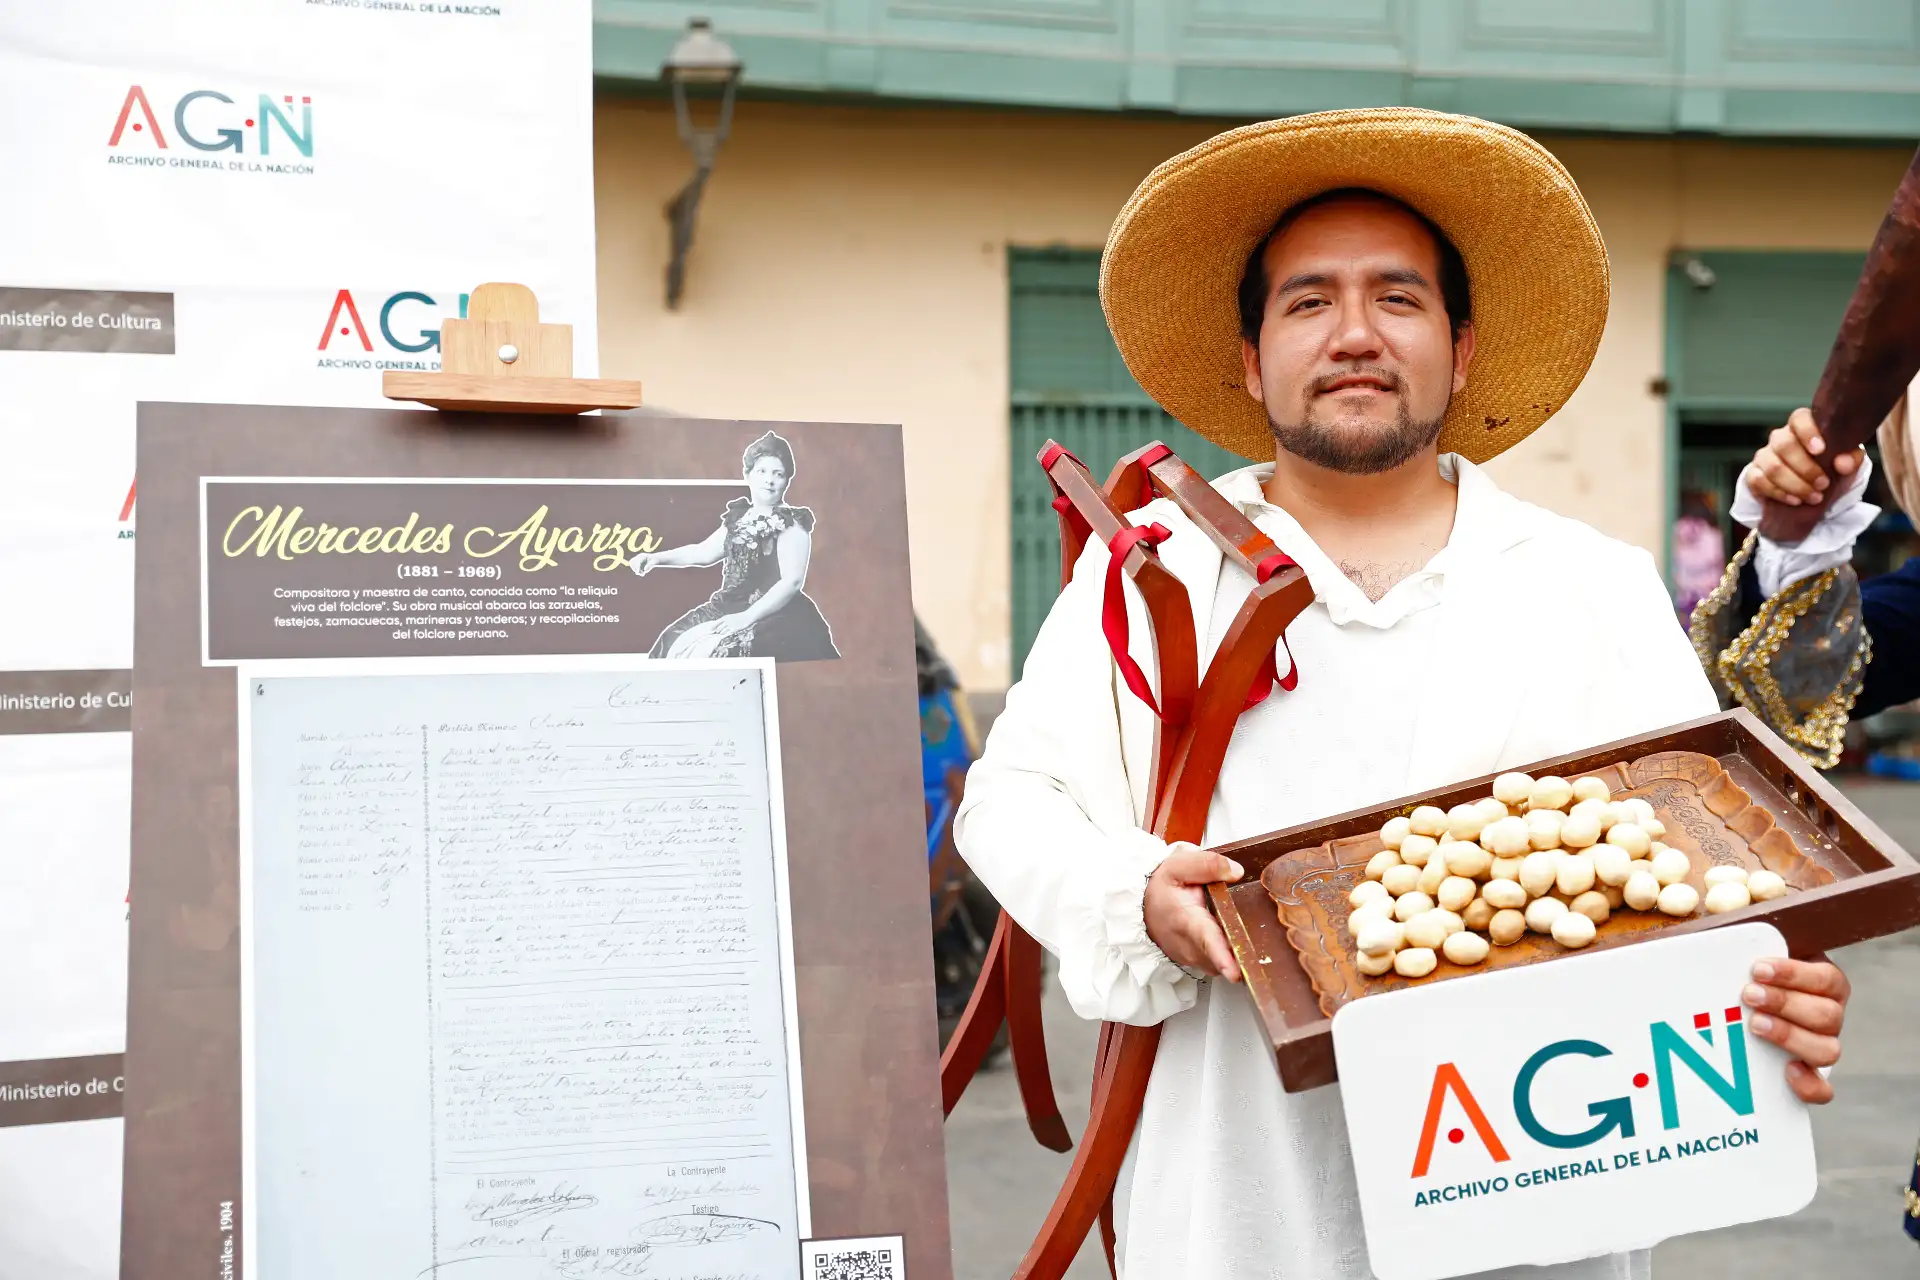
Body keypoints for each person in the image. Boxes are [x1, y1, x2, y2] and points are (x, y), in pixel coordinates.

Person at [955, 109, 1852, 1278]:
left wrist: (1772, 989)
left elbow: (1701, 878)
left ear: (1462, 346)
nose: (1355, 334)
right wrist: (1135, 894)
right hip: (1242, 1198)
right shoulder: (1152, 569)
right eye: (1309, 300)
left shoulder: (1591, 585)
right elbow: (1011, 801)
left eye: (1398, 297)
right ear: (1250, 357)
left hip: (1541, 1201)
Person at [632, 430, 839, 662]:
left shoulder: (792, 524)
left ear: (787, 480)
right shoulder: (739, 518)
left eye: (778, 474)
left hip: (774, 614)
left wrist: (746, 618)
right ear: (748, 475)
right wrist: (655, 558)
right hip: (727, 605)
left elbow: (792, 582)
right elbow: (703, 552)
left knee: (724, 653)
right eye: (762, 471)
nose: (769, 480)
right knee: (671, 640)